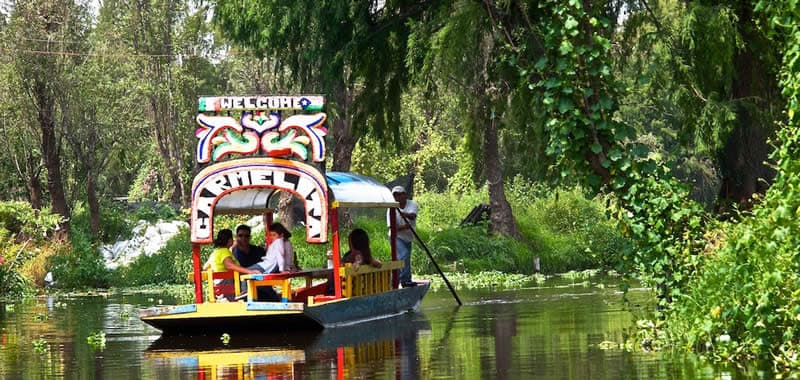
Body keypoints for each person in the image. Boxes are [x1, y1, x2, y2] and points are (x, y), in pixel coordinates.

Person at [326, 228, 382, 294]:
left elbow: (357, 262)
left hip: (351, 290)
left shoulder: (356, 254)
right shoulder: (366, 254)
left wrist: (357, 263)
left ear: (352, 242)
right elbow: (378, 263)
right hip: (364, 288)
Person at [387, 185, 418, 287]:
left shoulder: (412, 204)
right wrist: (405, 227)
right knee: (403, 255)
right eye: (395, 195)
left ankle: (396, 280)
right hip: (396, 237)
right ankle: (404, 280)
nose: (397, 197)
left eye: (400, 195)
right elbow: (392, 228)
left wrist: (406, 215)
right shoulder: (391, 209)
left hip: (408, 237)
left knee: (404, 258)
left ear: (404, 195)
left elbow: (413, 216)